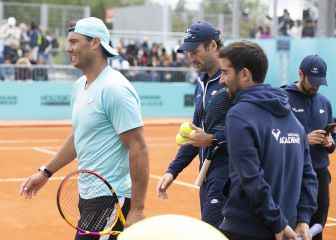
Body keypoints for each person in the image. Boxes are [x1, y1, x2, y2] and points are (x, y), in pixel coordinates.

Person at [19, 17, 149, 240]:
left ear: (95, 43)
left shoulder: (115, 89)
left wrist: (137, 209)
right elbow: (79, 137)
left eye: (74, 41)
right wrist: (45, 172)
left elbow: (139, 148)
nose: (68, 48)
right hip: (88, 197)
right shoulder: (80, 86)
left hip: (111, 198)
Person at [218, 41, 318, 240]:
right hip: (283, 228)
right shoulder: (293, 120)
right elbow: (309, 175)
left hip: (246, 229)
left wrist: (277, 222)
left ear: (244, 74)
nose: (221, 80)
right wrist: (302, 219)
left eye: (225, 72)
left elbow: (250, 177)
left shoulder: (238, 115)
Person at [156, 21, 231, 229]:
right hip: (207, 175)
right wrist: (172, 171)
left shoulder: (232, 80)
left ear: (213, 47)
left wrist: (213, 138)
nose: (189, 56)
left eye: (194, 51)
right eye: (187, 52)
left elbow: (248, 127)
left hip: (230, 178)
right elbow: (196, 134)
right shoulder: (201, 83)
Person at [283, 55, 335, 240]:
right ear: (300, 74)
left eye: (320, 82)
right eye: (312, 81)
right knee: (293, 225)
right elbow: (276, 136)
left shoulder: (324, 103)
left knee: (317, 225)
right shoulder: (283, 99)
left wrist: (330, 143)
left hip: (320, 173)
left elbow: (332, 139)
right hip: (293, 173)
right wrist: (304, 139)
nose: (316, 86)